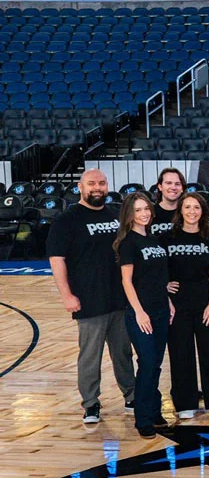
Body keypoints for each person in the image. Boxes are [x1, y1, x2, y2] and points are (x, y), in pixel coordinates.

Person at [48, 168, 136, 424]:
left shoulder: (116, 215)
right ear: (80, 187)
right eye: (92, 184)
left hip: (119, 298)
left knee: (123, 352)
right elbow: (57, 260)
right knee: (90, 355)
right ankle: (90, 403)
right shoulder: (67, 220)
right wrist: (67, 295)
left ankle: (131, 396)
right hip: (87, 300)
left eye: (102, 183)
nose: (97, 187)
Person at [164, 192, 209, 418]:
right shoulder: (168, 238)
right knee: (180, 353)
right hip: (177, 305)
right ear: (180, 211)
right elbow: (156, 271)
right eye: (187, 207)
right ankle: (185, 403)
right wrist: (165, 291)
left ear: (203, 212)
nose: (192, 212)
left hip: (204, 301)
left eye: (196, 207)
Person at [115, 193, 171, 438]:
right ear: (129, 214)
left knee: (155, 365)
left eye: (146, 209)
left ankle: (154, 410)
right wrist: (139, 312)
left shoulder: (155, 240)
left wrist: (169, 302)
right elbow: (127, 281)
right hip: (141, 314)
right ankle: (143, 417)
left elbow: (159, 279)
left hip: (161, 310)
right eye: (138, 210)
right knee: (147, 363)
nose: (144, 214)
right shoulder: (128, 243)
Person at [151, 167, 185, 235]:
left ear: (182, 189)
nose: (173, 187)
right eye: (168, 183)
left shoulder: (189, 213)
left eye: (177, 184)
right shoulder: (149, 213)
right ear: (160, 187)